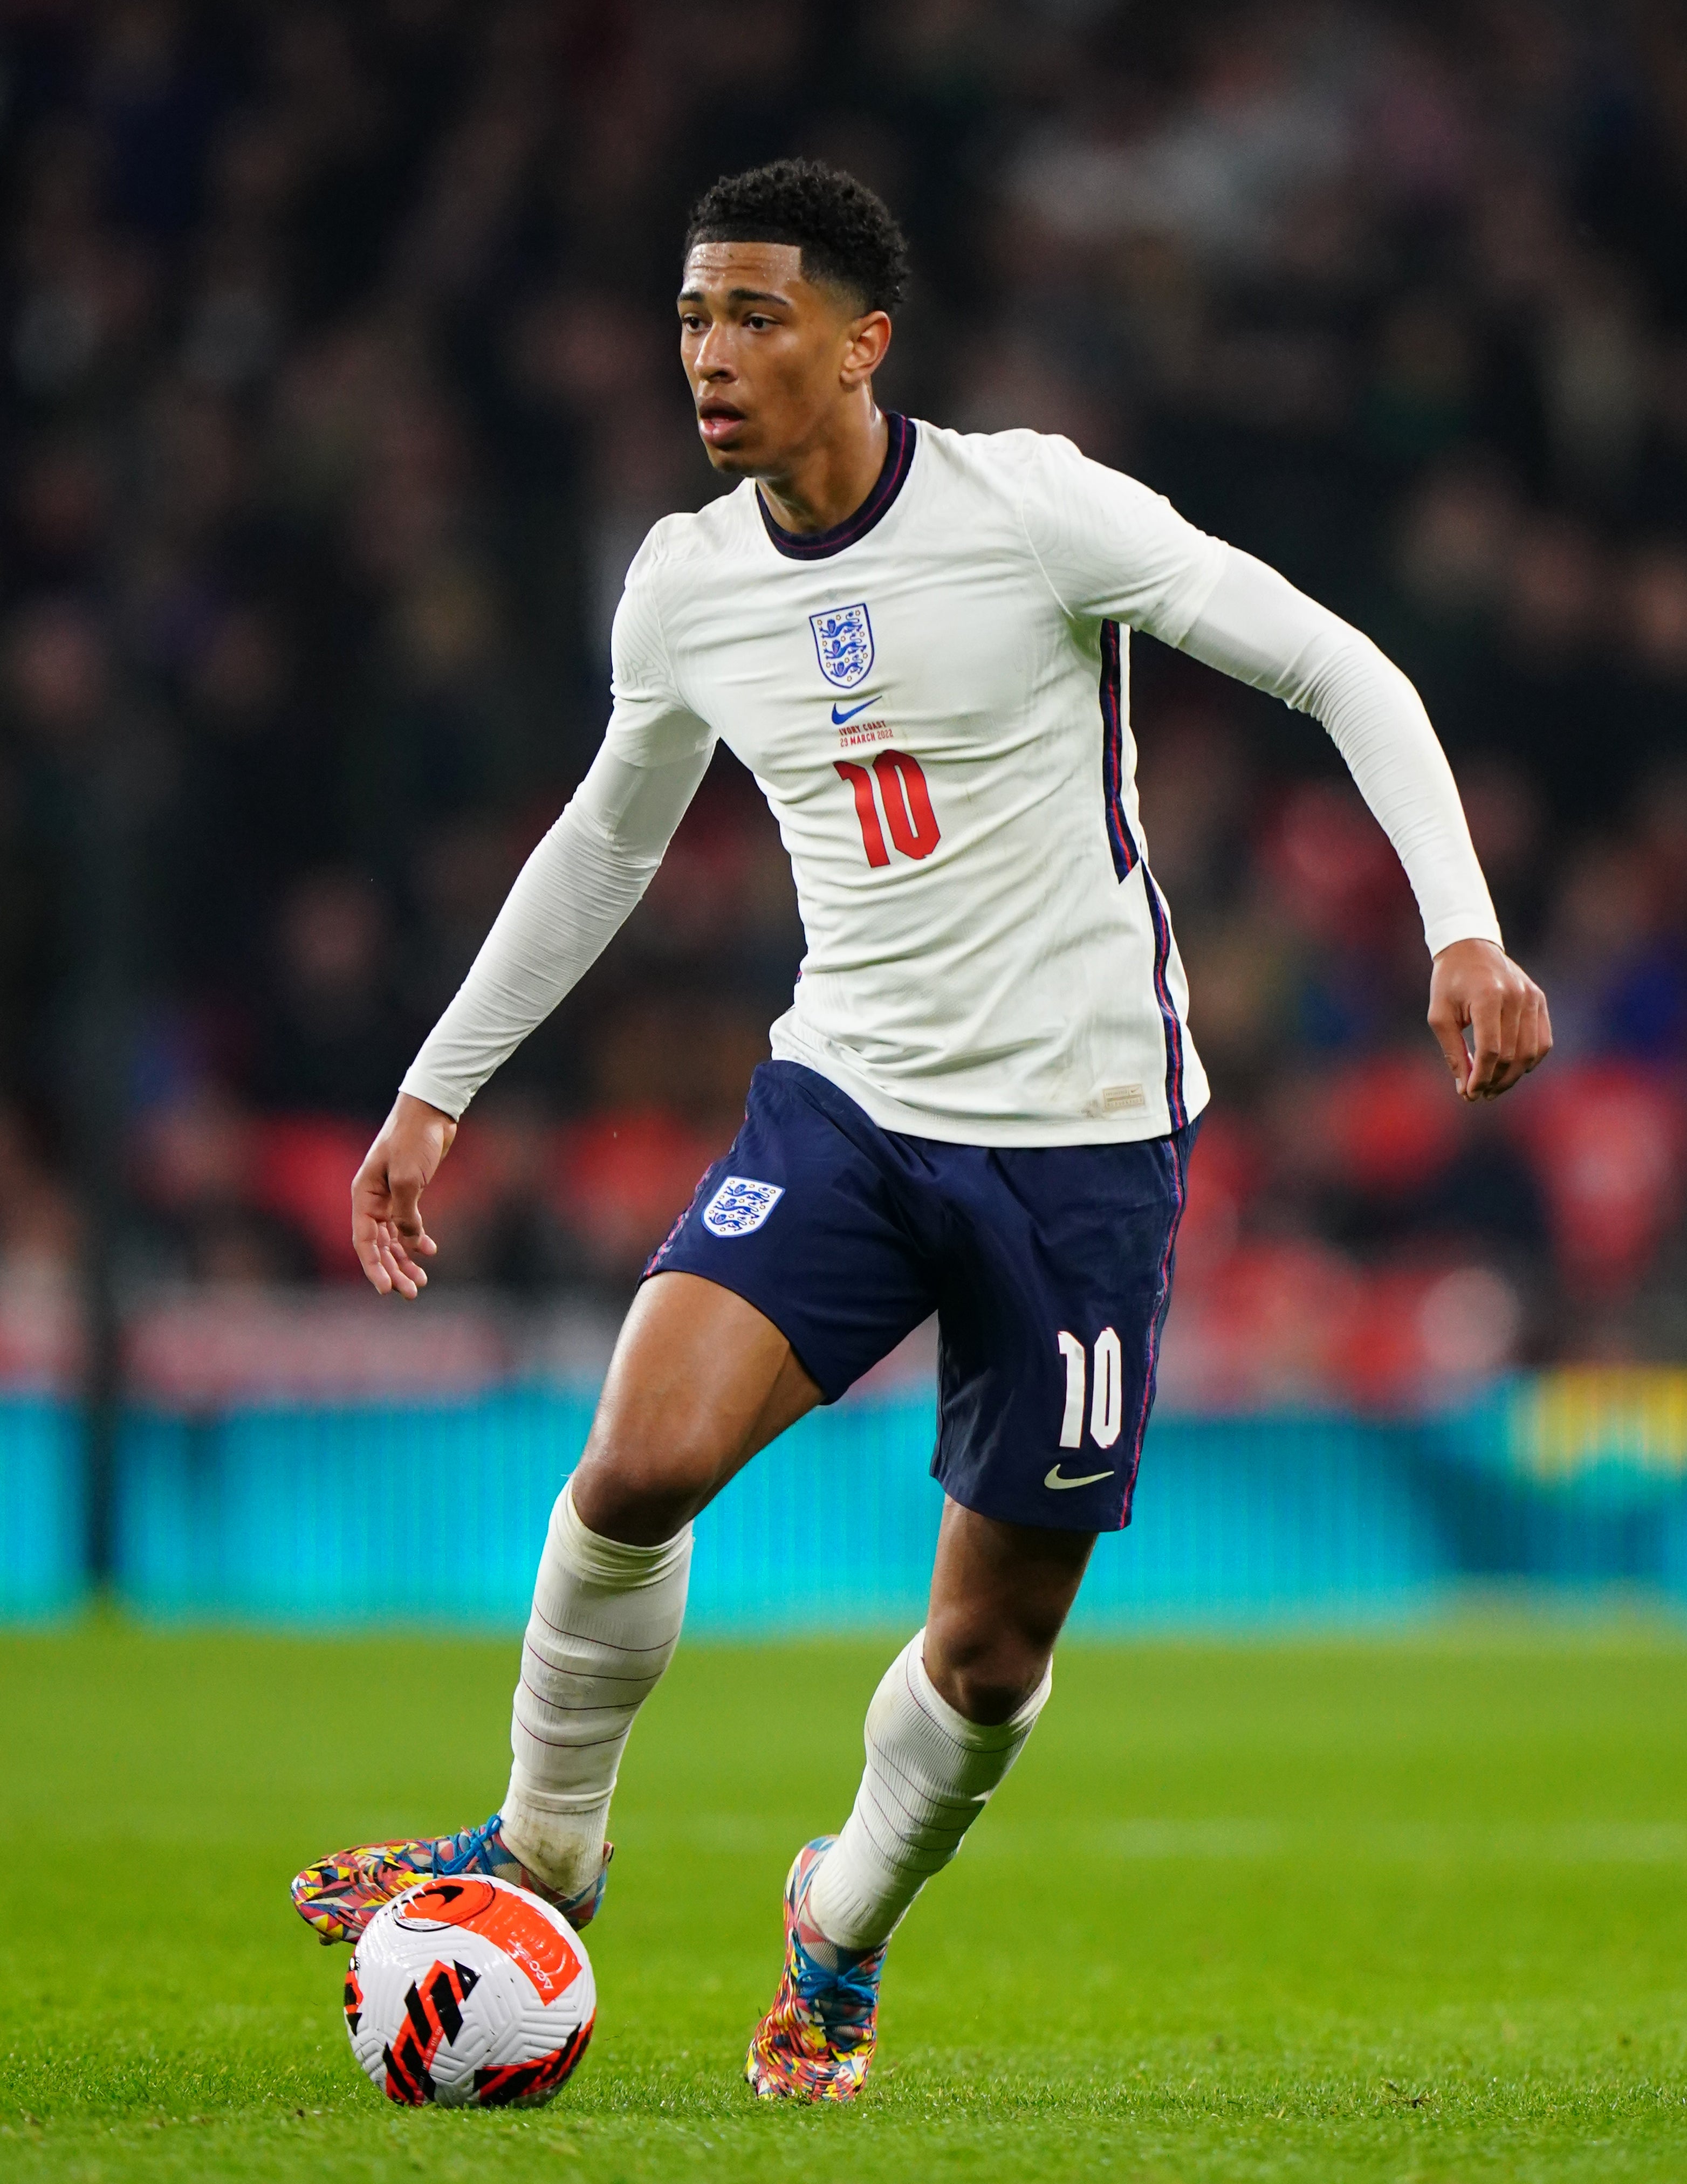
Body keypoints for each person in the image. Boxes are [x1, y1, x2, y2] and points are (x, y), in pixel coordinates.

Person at [290, 160, 1551, 2101]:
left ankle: (842, 1920)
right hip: (850, 1101)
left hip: (1084, 1144)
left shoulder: (1031, 508)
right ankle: (543, 1850)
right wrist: (436, 1084)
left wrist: (1459, 924)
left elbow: (1335, 663)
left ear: (865, 343)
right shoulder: (688, 580)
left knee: (985, 1658)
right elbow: (608, 839)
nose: (711, 354)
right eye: (695, 317)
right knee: (635, 1460)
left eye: (757, 317)